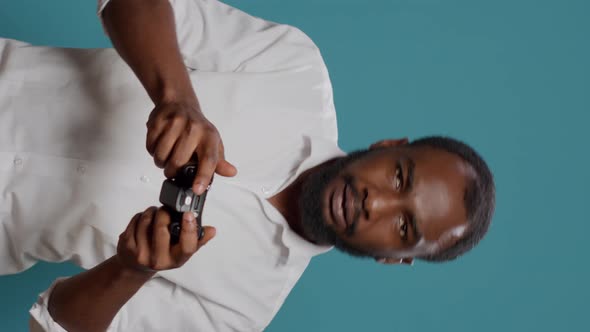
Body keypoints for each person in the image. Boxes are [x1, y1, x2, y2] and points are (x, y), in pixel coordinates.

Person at [0, 0, 495, 331]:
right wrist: (176, 95)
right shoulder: (296, 71)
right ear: (390, 144)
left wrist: (131, 271)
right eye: (399, 176)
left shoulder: (243, 310)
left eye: (404, 225)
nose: (377, 202)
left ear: (395, 258)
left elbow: (54, 325)